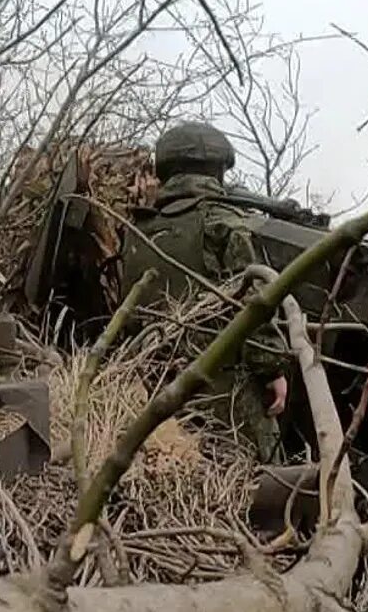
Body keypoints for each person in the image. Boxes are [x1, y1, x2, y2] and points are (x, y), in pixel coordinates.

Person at [118, 121, 292, 462]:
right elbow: (253, 305)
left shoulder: (138, 231)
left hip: (158, 387)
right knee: (260, 478)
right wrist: (273, 369)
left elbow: (129, 319)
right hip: (226, 395)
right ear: (218, 170)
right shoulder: (224, 223)